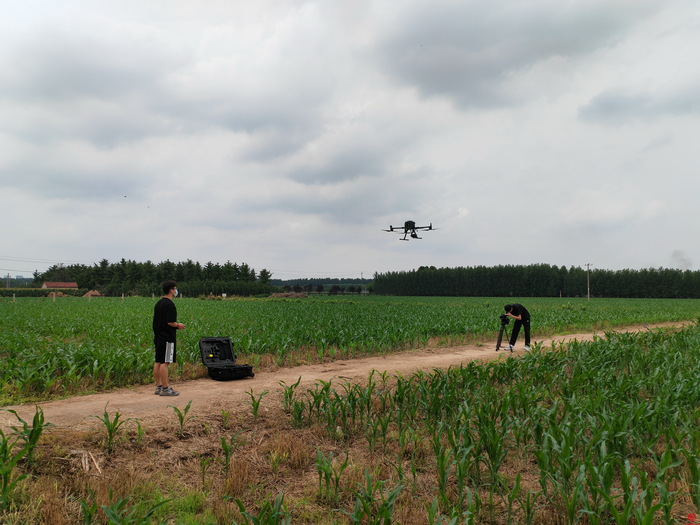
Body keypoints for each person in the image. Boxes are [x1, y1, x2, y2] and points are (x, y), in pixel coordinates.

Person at [153, 280, 185, 396]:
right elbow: (170, 322)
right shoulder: (170, 304)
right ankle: (166, 389)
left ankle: (158, 387)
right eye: (175, 289)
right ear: (171, 290)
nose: (176, 291)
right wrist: (179, 326)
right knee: (165, 362)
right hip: (167, 337)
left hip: (158, 336)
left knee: (158, 361)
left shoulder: (159, 303)